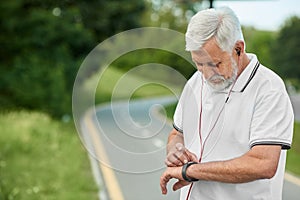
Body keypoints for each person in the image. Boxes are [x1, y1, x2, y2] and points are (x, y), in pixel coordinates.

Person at [160, 6, 294, 200]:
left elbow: (262, 163)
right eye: (199, 64)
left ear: (238, 49)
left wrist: (189, 171)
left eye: (214, 64)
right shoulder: (195, 81)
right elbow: (177, 133)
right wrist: (176, 151)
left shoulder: (269, 89)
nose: (206, 74)